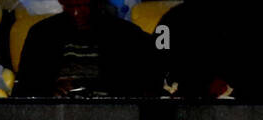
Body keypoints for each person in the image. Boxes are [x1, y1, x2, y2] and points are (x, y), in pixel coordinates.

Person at [13, 0, 160, 98]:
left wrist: (89, 88)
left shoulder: (128, 35)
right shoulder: (42, 34)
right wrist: (47, 91)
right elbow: (24, 89)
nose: (76, 13)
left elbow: (147, 88)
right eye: (70, 6)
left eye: (83, 5)